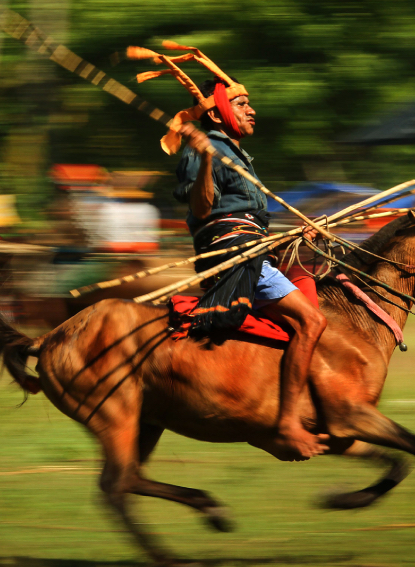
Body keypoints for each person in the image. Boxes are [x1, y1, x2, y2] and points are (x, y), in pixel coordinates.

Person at [129, 44, 328, 460]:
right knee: (311, 321)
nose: (251, 110)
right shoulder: (202, 151)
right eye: (241, 104)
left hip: (251, 249)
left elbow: (246, 223)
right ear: (218, 114)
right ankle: (287, 422)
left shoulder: (238, 154)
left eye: (249, 103)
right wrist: (204, 159)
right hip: (233, 257)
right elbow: (203, 210)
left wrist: (296, 234)